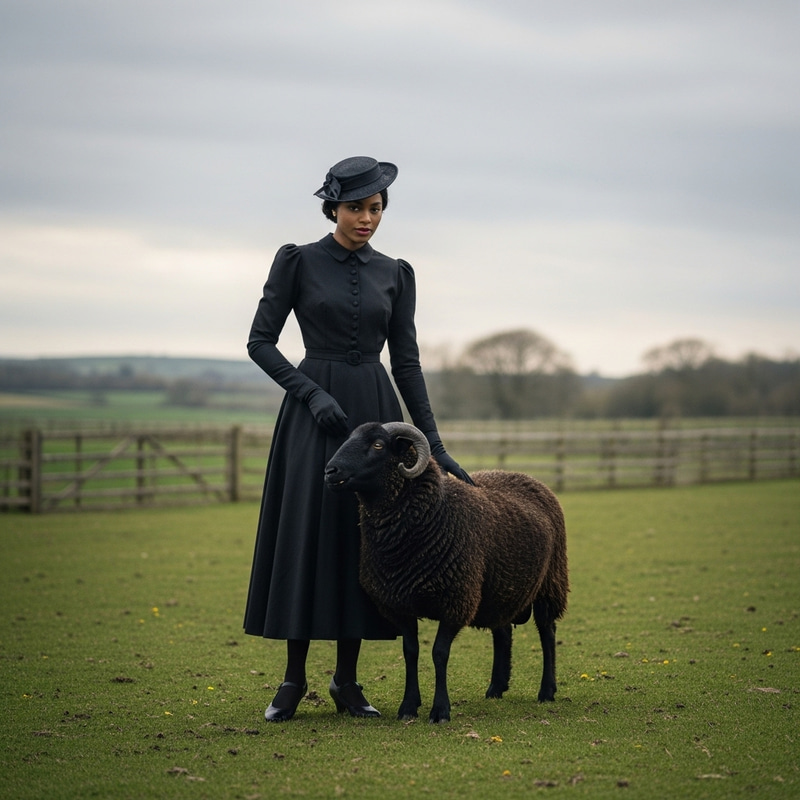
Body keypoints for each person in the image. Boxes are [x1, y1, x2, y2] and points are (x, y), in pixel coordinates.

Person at [243, 156, 471, 722]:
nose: (366, 219)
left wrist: (432, 444)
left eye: (375, 209)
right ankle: (293, 680)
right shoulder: (296, 261)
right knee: (309, 533)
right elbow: (260, 342)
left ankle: (348, 681)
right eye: (355, 208)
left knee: (364, 543)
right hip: (312, 412)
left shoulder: (396, 272)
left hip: (376, 413)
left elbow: (409, 362)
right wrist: (310, 393)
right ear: (333, 208)